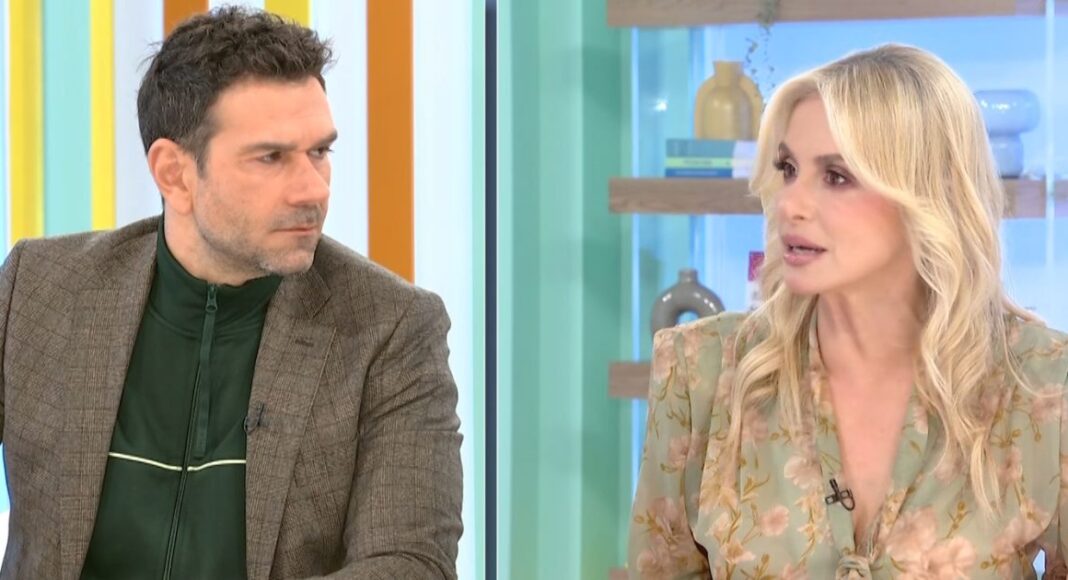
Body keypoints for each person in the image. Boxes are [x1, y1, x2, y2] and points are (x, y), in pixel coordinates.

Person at [0, 7, 462, 579]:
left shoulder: (390, 327)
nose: (312, 190)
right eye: (271, 157)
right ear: (174, 173)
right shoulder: (41, 287)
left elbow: (411, 564)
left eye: (320, 152)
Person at [628, 44, 1068, 579]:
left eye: (836, 176)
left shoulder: (1043, 385)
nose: (790, 204)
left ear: (927, 194)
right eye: (788, 169)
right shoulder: (702, 369)